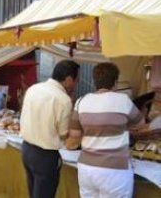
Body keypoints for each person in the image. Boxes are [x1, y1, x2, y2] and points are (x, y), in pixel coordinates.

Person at [66, 62, 145, 198]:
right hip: (115, 171)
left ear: (94, 81)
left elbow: (74, 135)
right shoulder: (123, 100)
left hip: (87, 169)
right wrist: (122, 126)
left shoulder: (81, 102)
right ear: (115, 82)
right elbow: (141, 124)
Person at [20, 60, 80, 198]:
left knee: (34, 193)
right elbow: (63, 134)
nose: (76, 83)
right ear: (69, 79)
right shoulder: (64, 100)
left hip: (26, 150)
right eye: (76, 80)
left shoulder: (33, 88)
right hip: (45, 156)